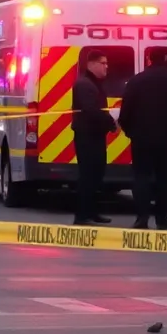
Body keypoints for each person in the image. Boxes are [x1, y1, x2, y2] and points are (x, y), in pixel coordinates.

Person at [119, 47, 167, 230]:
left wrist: (130, 131)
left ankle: (141, 218)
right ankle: (162, 218)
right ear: (165, 58)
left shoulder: (136, 81)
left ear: (149, 58)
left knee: (141, 177)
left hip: (141, 138)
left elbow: (125, 110)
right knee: (164, 179)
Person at [72, 51, 117, 225]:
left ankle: (92, 212)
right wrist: (111, 122)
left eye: (106, 63)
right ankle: (82, 215)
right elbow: (91, 110)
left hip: (95, 135)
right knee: (88, 175)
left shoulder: (94, 84)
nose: (107, 66)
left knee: (97, 174)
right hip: (87, 136)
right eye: (103, 63)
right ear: (92, 64)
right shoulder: (85, 84)